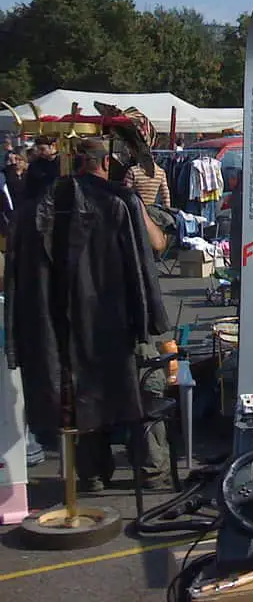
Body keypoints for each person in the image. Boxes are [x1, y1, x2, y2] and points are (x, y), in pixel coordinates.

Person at [6, 138, 170, 491]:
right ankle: (137, 471)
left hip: (79, 319)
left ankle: (98, 472)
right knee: (133, 391)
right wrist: (152, 321)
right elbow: (154, 250)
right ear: (106, 163)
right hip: (116, 317)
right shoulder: (110, 203)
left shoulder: (109, 202)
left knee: (86, 390)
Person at [24, 135, 61, 200]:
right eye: (38, 149)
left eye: (42, 149)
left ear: (52, 146)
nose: (40, 152)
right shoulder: (35, 166)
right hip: (41, 202)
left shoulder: (63, 164)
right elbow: (30, 188)